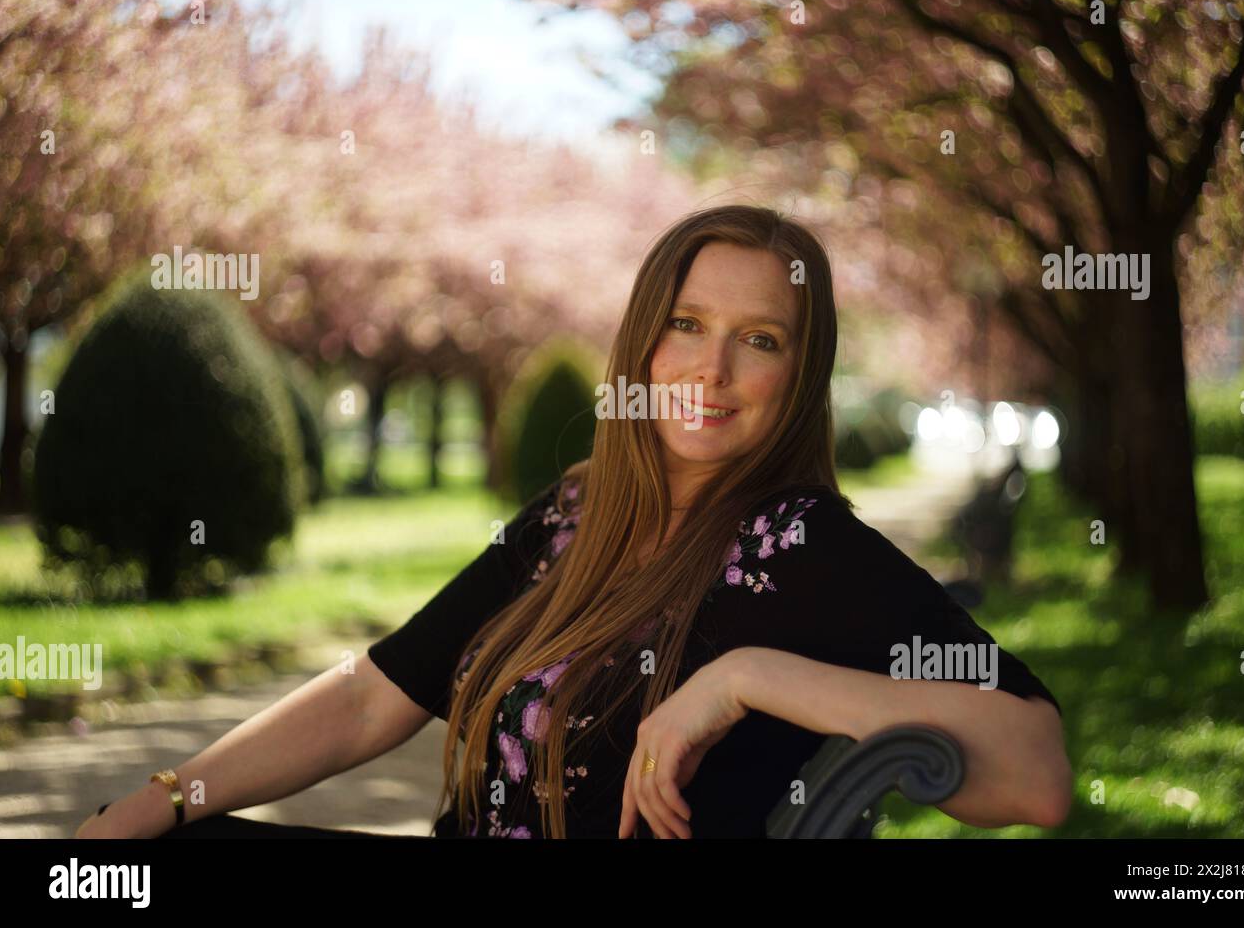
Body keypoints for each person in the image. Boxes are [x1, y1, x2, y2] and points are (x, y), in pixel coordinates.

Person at [76, 204, 1071, 840]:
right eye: (686, 324)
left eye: (757, 340)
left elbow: (1034, 773)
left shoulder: (801, 547)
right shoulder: (573, 514)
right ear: (642, 343)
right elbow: (371, 696)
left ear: (798, 377)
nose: (710, 370)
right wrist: (171, 792)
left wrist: (745, 678)